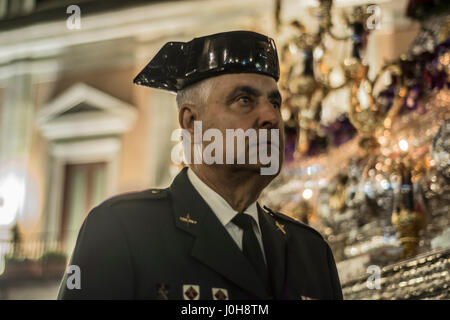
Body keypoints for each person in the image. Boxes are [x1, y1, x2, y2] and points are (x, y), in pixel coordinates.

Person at [57, 31, 343, 300]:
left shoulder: (311, 252)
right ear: (191, 123)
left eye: (275, 102)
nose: (271, 117)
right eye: (244, 100)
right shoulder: (122, 231)